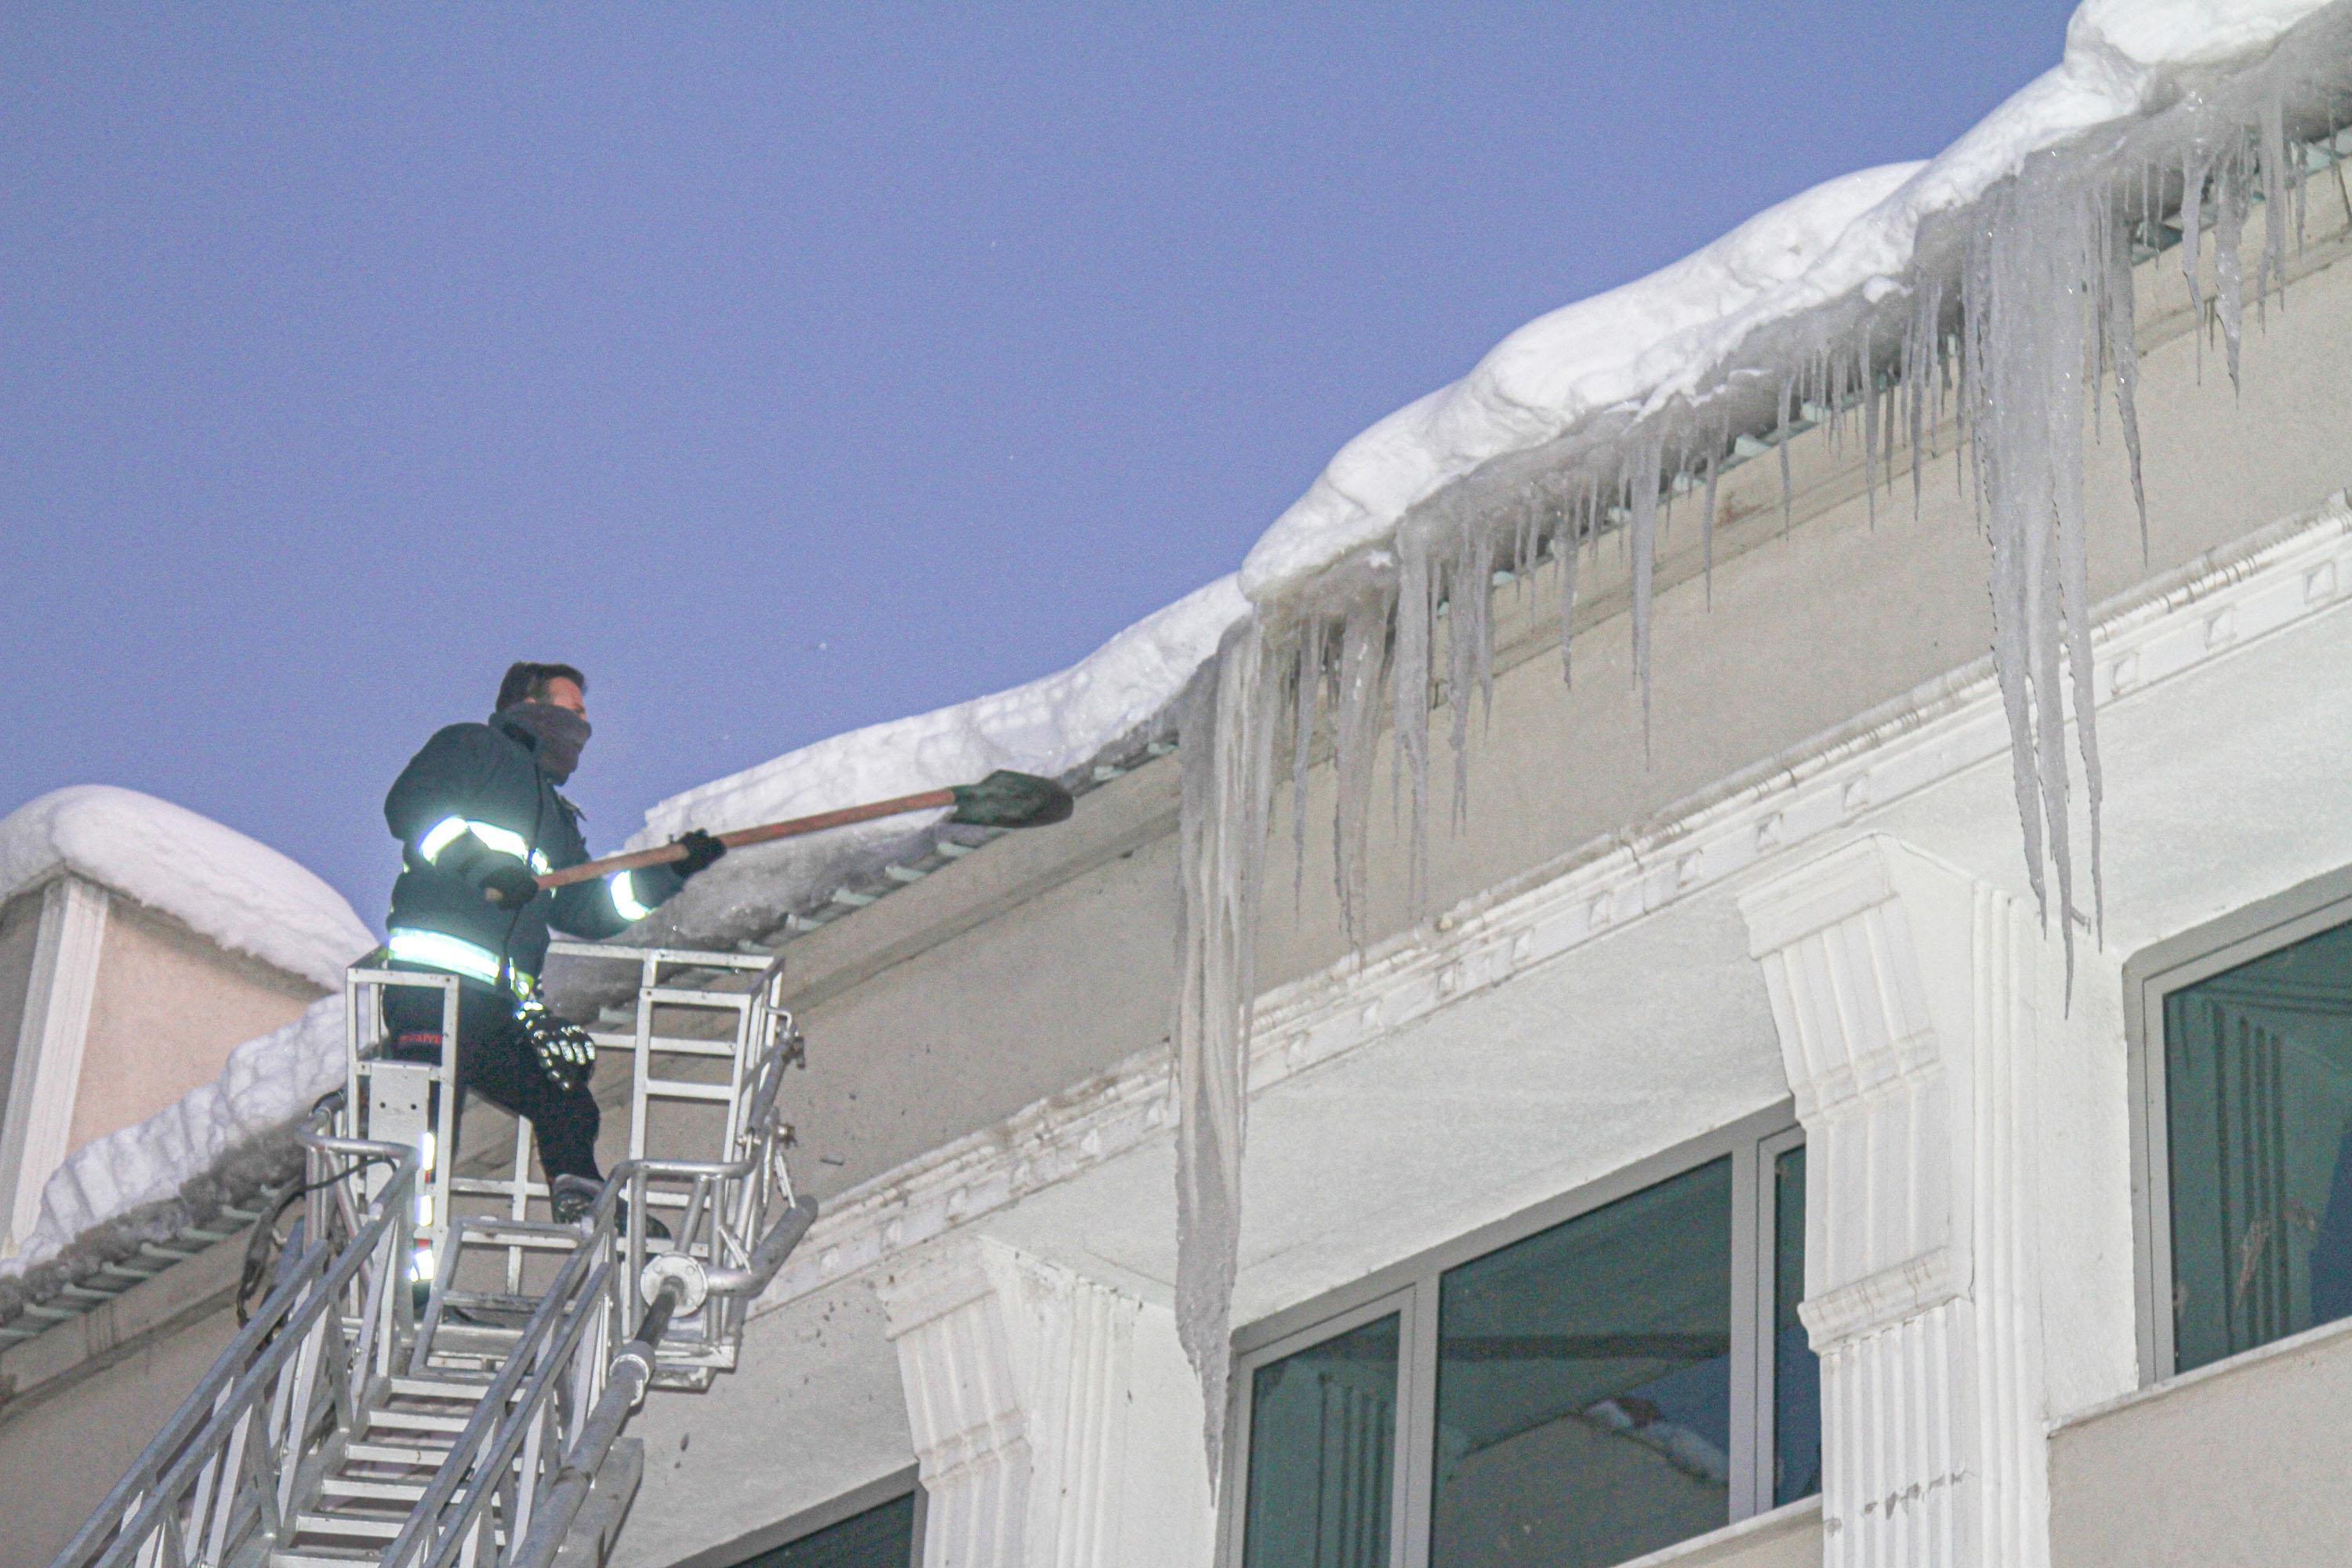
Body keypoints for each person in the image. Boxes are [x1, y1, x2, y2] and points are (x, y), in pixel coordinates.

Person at [379, 661, 725, 1222]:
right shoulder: (472, 748)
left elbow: (587, 909)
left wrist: (672, 871)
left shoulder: (555, 819)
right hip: (432, 988)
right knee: (426, 1135)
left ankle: (585, 1202)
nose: (583, 724)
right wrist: (483, 866)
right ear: (528, 704)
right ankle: (407, 1285)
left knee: (563, 1099)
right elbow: (414, 807)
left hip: (500, 1005)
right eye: (572, 708)